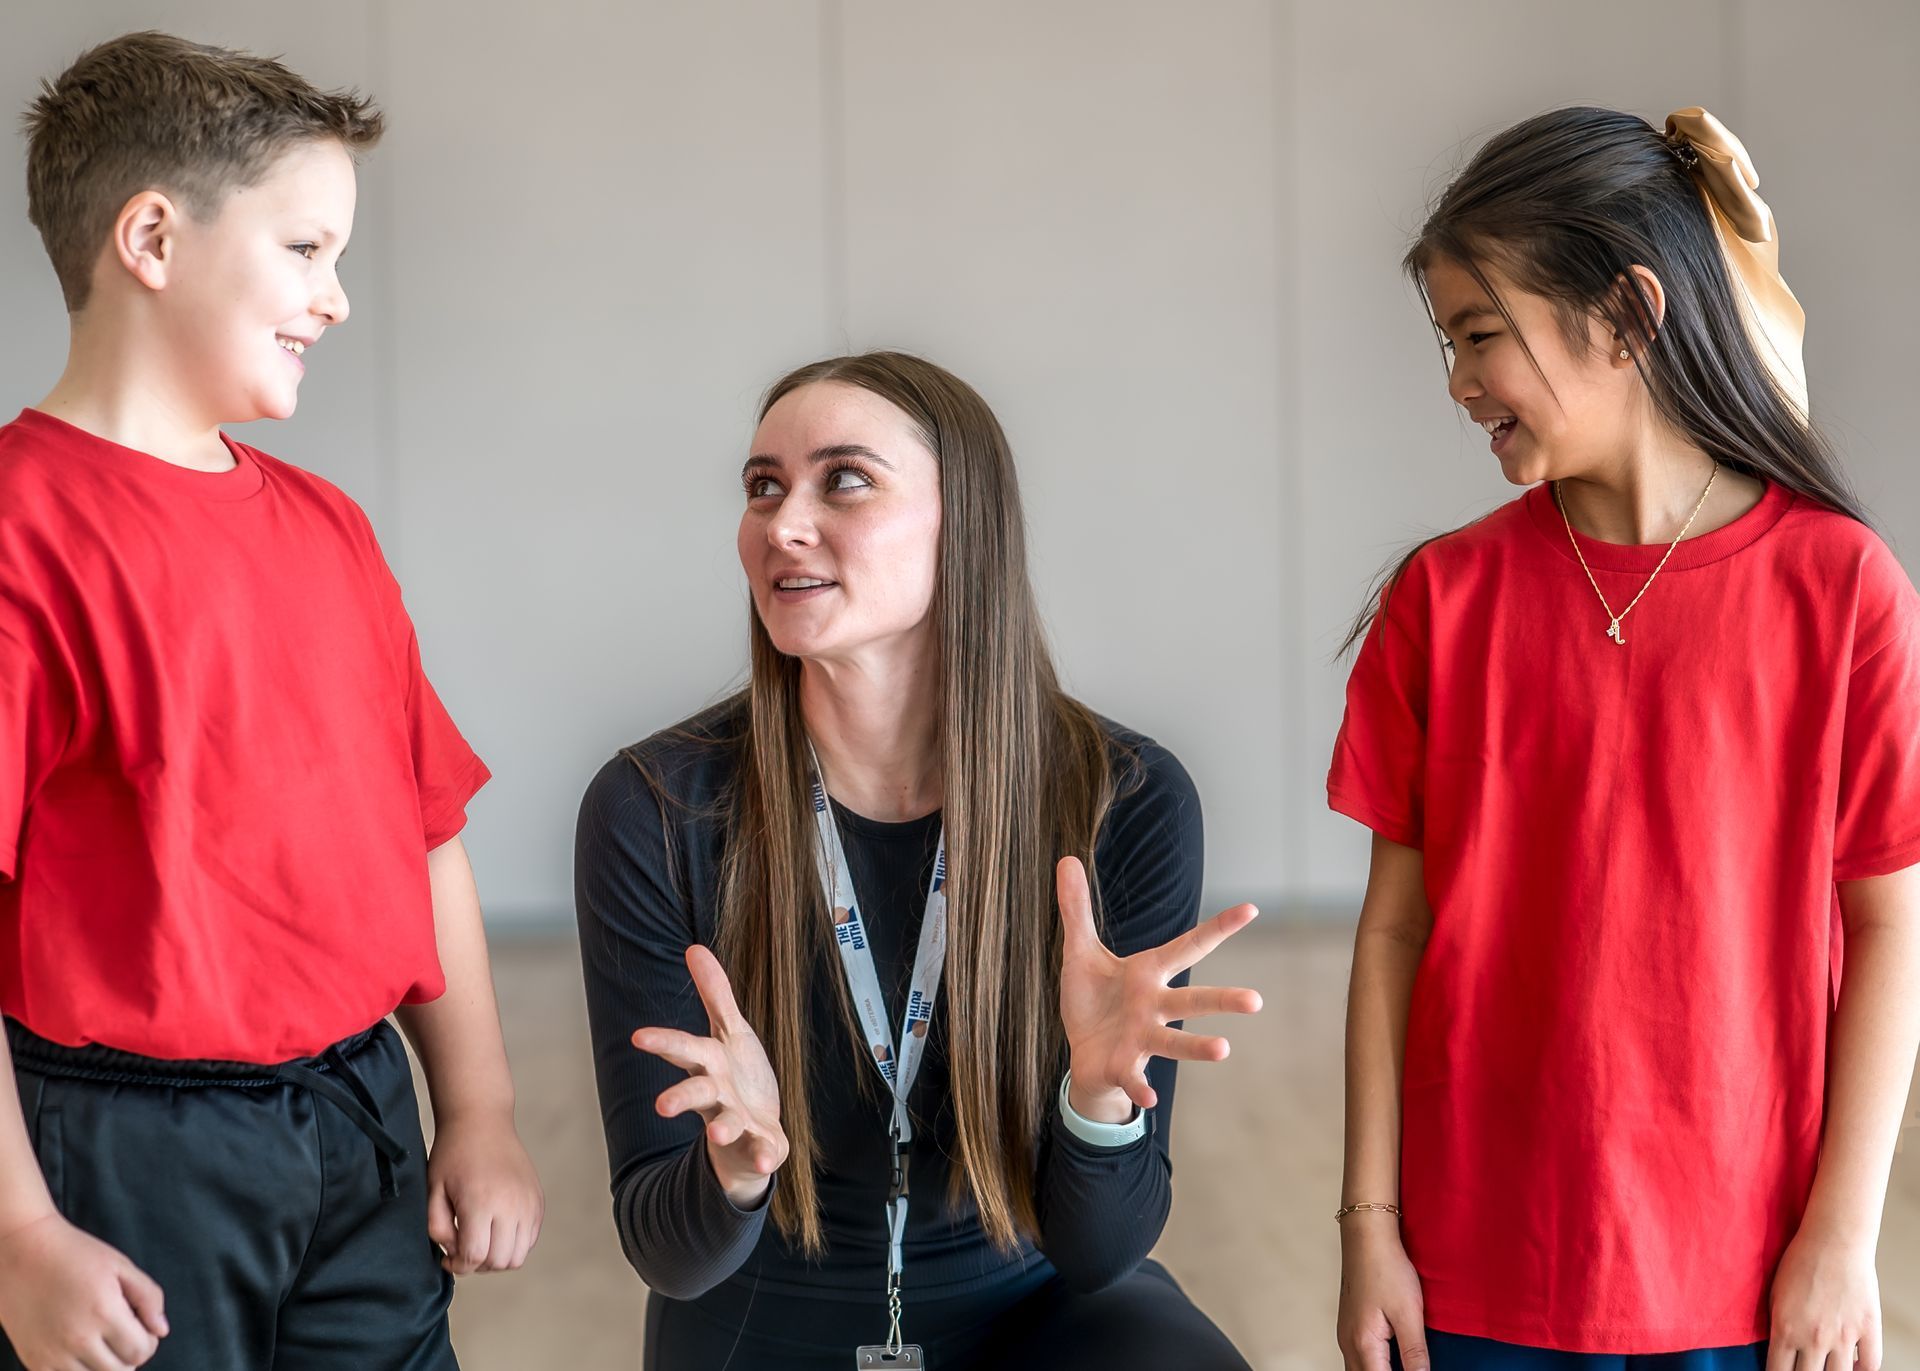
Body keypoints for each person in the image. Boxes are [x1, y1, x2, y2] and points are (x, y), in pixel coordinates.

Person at [1330, 107, 1920, 1371]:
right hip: (1469, 1273)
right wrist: (1368, 1228)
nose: (1456, 383)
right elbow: (1394, 931)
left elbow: (1889, 927)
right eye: (1447, 343)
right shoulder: (1444, 600)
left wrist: (1843, 1234)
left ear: (1628, 314)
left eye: (1479, 334)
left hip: (1750, 1282)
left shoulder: (1844, 590)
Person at [0, 33, 543, 1371]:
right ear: (152, 238)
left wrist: (477, 1106)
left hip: (361, 1116)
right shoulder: (22, 531)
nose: (337, 297)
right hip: (124, 1149)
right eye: (306, 251)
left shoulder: (331, 530)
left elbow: (427, 834)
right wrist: (18, 1231)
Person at [576, 351, 1260, 1369]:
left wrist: (1099, 1105)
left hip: (1032, 1315)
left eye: (841, 479)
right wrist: (733, 1170)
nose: (782, 524)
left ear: (965, 522)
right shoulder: (656, 806)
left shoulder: (1123, 798)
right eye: (763, 487)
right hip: (761, 1328)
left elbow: (1101, 1248)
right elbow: (669, 1254)